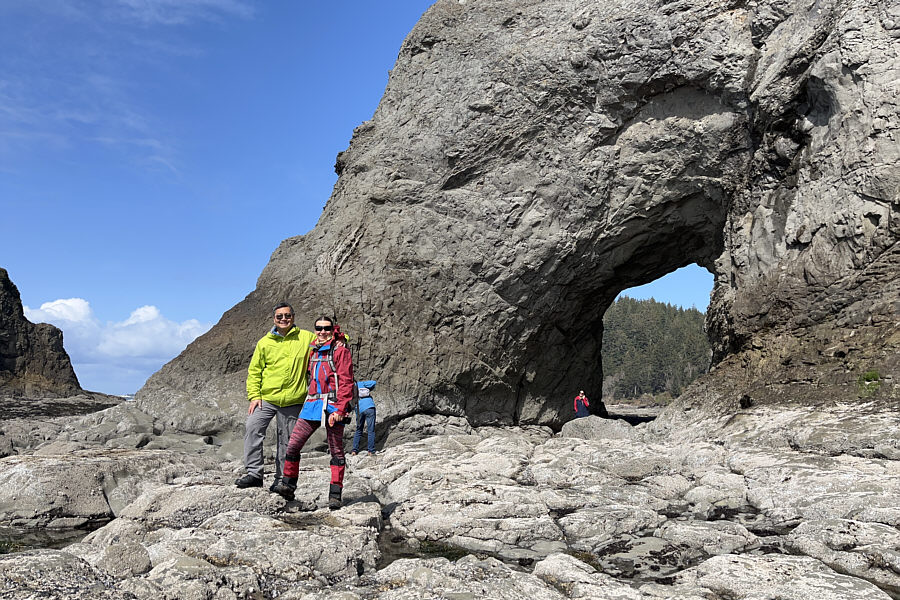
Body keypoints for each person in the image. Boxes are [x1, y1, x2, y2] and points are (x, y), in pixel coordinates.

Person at [273, 315, 354, 509]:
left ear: (333, 329)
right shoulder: (313, 349)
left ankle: (335, 495)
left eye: (327, 328)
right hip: (312, 405)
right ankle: (288, 486)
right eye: (319, 328)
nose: (323, 331)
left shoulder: (340, 351)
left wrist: (341, 409)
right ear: (315, 329)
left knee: (336, 451)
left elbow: (346, 381)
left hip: (333, 406)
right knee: (293, 445)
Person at [235, 303, 316, 490]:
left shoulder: (307, 338)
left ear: (293, 317)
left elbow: (326, 343)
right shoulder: (265, 342)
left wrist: (341, 338)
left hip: (294, 400)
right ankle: (254, 474)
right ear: (274, 319)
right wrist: (254, 396)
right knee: (253, 428)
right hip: (267, 398)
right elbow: (254, 371)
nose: (284, 319)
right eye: (279, 316)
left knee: (287, 442)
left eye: (287, 316)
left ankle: (281, 480)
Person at [351, 380, 377, 456]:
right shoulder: (361, 384)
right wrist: (367, 387)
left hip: (359, 409)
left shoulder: (350, 388)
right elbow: (374, 382)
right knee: (371, 430)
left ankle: (354, 451)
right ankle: (371, 451)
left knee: (359, 430)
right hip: (369, 407)